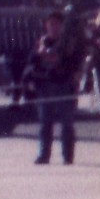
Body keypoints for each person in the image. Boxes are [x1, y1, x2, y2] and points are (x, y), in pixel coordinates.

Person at [25, 10, 84, 165]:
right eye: (51, 24)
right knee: (45, 123)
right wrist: (39, 54)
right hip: (45, 86)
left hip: (64, 85)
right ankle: (44, 155)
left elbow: (75, 62)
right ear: (46, 25)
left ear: (62, 26)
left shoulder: (69, 44)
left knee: (67, 123)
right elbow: (31, 61)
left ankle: (68, 156)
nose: (54, 27)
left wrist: (58, 60)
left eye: (57, 24)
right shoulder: (41, 42)